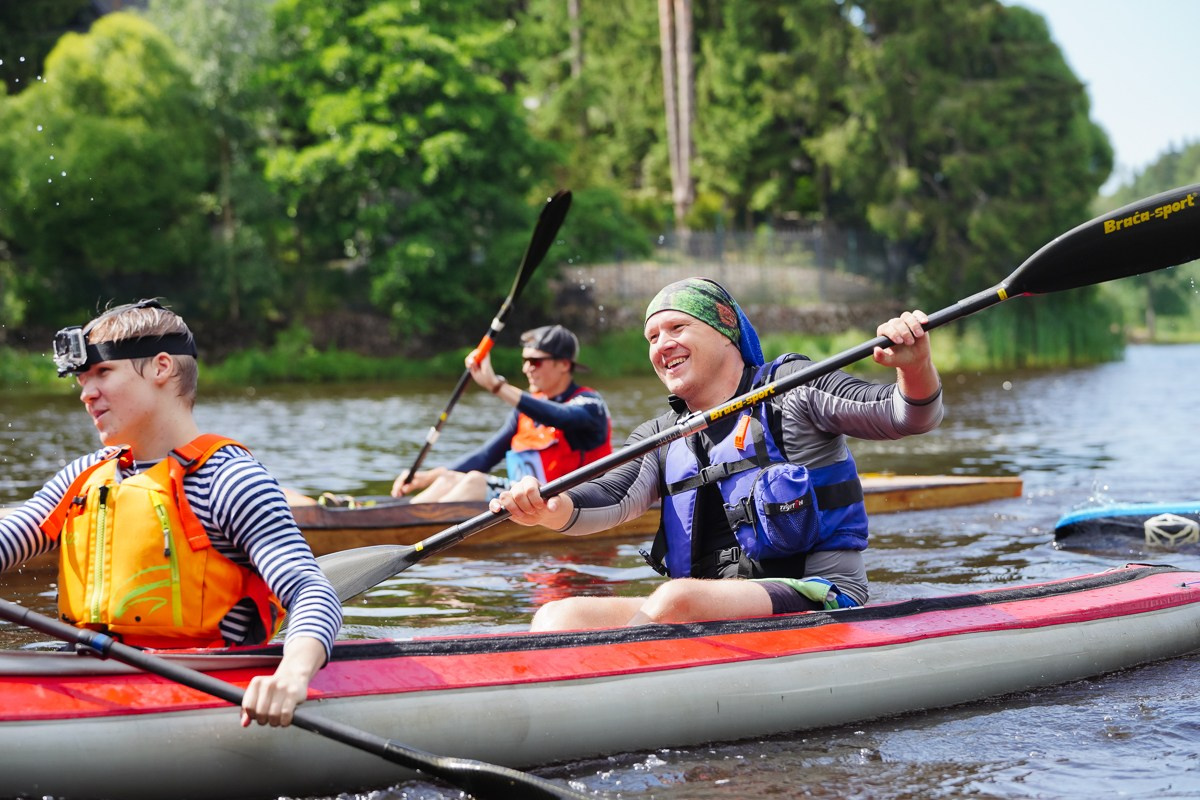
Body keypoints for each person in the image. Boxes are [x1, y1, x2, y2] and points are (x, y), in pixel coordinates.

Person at [492, 278, 944, 632]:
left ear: (726, 333)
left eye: (676, 327)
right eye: (652, 336)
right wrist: (544, 508)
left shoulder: (791, 389)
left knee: (675, 599)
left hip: (821, 597)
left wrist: (915, 366)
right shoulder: (662, 435)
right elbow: (608, 494)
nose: (661, 345)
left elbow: (902, 415)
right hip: (707, 606)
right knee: (559, 616)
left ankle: (619, 686)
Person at [0, 299, 343, 728]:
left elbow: (312, 592)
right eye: (83, 381)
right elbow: (12, 533)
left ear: (161, 368)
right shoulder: (85, 475)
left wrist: (292, 675)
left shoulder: (229, 481)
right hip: (90, 675)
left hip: (204, 684)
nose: (86, 393)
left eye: (103, 373)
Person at [392, 324, 613, 503]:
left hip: (575, 503)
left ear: (564, 364)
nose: (527, 368)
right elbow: (486, 456)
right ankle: (401, 520)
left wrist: (496, 386)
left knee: (475, 483)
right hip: (525, 501)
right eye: (525, 361)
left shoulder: (590, 404)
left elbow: (560, 416)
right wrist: (429, 476)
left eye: (535, 361)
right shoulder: (524, 412)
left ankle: (413, 532)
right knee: (448, 479)